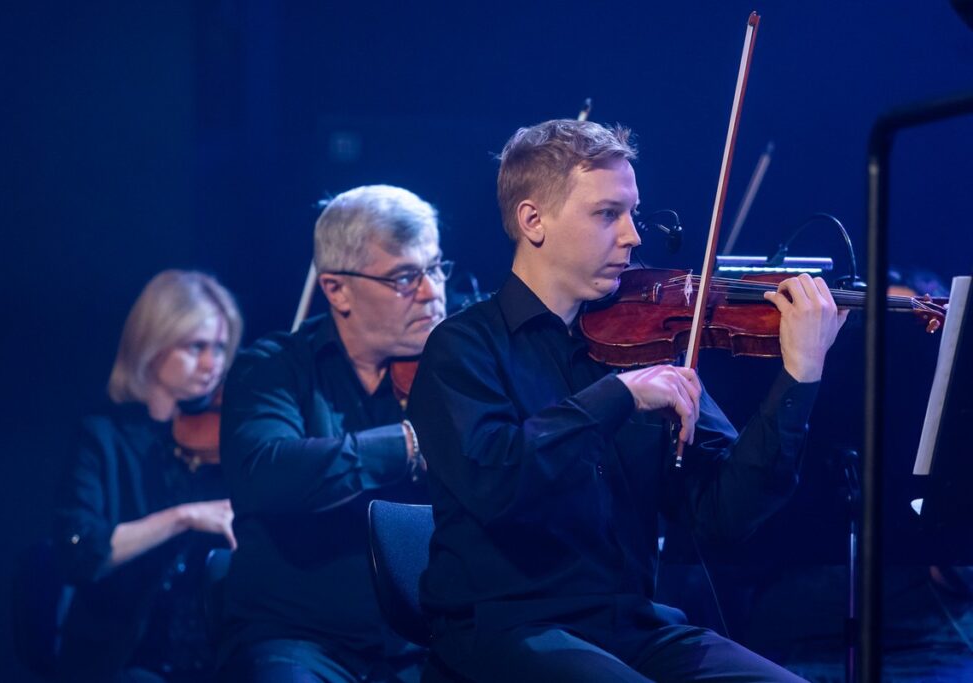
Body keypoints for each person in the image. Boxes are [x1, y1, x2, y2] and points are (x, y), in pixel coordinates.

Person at [407, 119, 848, 682]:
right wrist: (616, 395)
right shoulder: (464, 346)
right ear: (532, 220)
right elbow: (495, 482)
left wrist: (799, 376)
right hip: (508, 630)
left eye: (633, 213)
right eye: (607, 214)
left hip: (634, 628)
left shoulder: (643, 339)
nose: (634, 235)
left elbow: (723, 514)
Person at [218, 185, 449, 682]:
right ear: (336, 289)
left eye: (435, 268)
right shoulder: (273, 368)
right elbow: (266, 473)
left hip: (427, 644)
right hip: (299, 642)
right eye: (406, 277)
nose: (432, 292)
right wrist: (409, 442)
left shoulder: (455, 367)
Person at [53, 269, 243, 682]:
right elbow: (80, 552)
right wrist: (182, 517)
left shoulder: (227, 435)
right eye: (197, 347)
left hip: (216, 651)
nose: (214, 364)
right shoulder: (102, 437)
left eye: (220, 347)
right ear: (152, 346)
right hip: (124, 650)